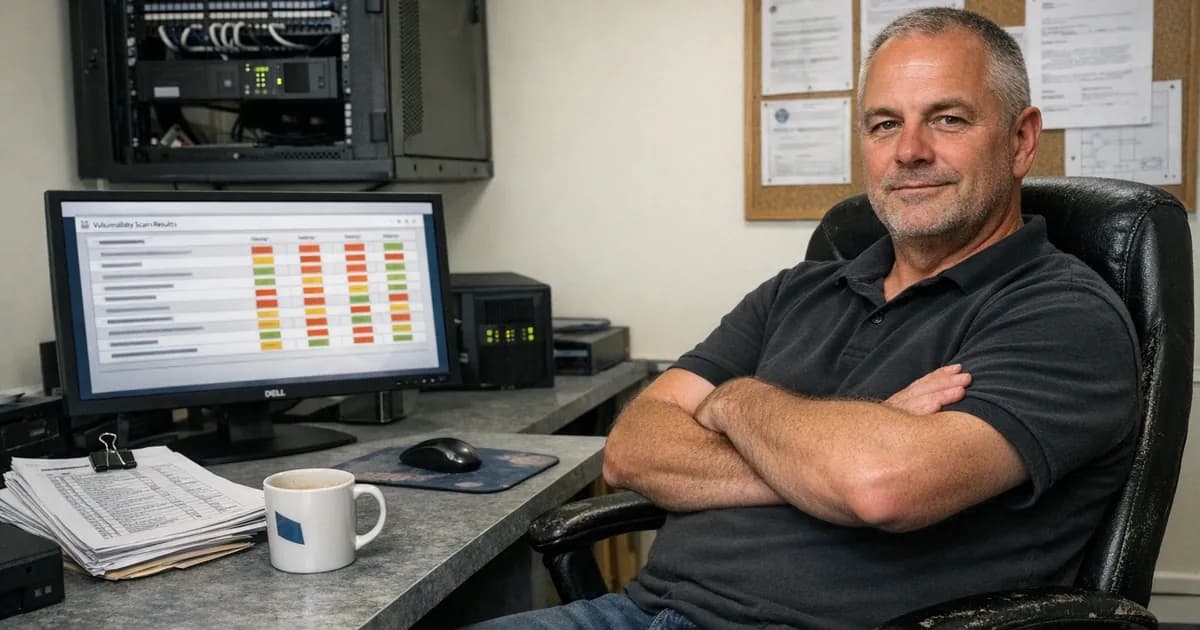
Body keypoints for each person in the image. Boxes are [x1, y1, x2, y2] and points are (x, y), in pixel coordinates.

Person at [468, 8, 1139, 630]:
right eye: (883, 124)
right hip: (636, 614)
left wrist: (732, 400)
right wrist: (820, 462)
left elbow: (879, 487)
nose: (908, 151)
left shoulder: (1062, 314)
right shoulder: (799, 290)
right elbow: (632, 448)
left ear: (1022, 140)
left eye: (948, 119)